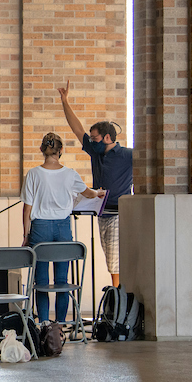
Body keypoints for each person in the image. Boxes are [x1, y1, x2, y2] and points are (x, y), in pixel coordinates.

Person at [21, 132, 103, 324]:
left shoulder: (33, 174)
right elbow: (89, 193)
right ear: (61, 151)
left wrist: (26, 235)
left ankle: (43, 324)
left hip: (40, 228)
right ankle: (59, 326)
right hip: (63, 227)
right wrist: (99, 192)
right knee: (62, 282)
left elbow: (27, 209)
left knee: (40, 283)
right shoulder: (70, 174)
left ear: (42, 150)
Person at [58, 80, 132, 287]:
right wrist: (65, 101)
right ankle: (115, 294)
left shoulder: (127, 155)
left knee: (114, 262)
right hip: (101, 212)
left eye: (95, 138)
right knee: (109, 257)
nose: (91, 141)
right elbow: (76, 128)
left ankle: (117, 296)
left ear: (108, 137)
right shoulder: (96, 153)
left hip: (118, 213)